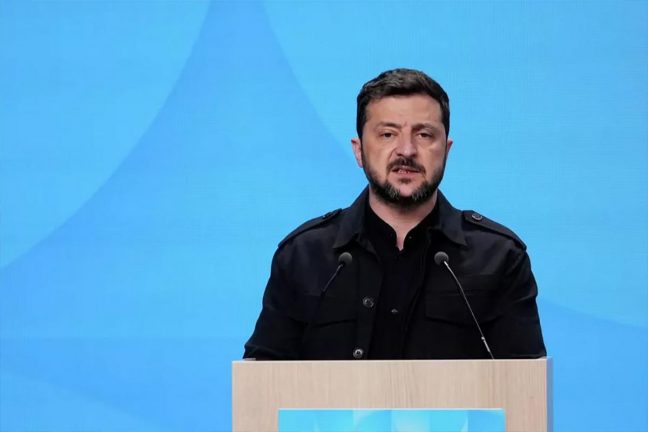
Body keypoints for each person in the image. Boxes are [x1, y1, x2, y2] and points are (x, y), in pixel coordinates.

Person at [244, 68, 546, 360]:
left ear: (446, 150)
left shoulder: (499, 257)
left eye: (424, 135)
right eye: (388, 134)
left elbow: (525, 386)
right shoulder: (303, 256)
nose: (406, 150)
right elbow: (262, 381)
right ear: (359, 151)